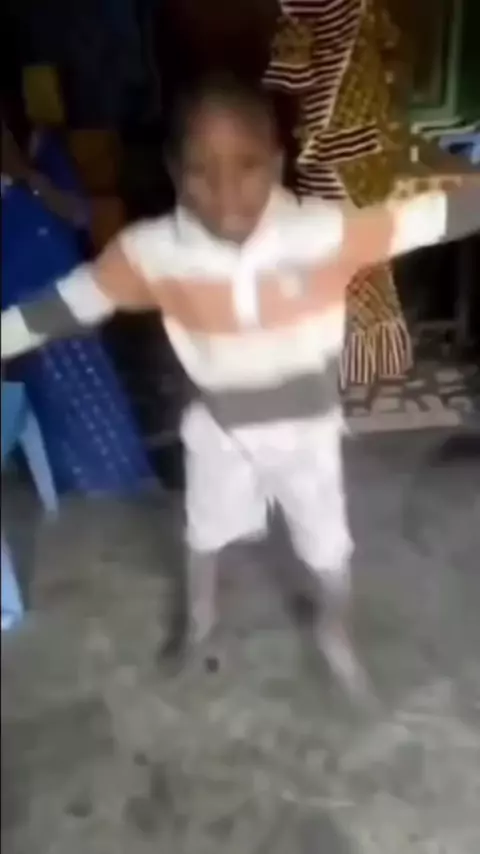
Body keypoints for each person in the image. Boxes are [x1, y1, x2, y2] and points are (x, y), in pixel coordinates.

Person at [2, 75, 479, 695]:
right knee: (204, 533)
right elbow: (67, 303)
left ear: (277, 164)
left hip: (307, 438)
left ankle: (334, 630)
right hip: (222, 434)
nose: (225, 192)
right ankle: (200, 621)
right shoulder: (153, 253)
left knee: (328, 546)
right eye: (201, 171)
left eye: (247, 166)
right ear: (174, 172)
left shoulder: (323, 233)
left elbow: (429, 216)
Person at [1, 117, 153, 494]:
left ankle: (127, 492)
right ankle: (83, 500)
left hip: (68, 301)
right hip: (18, 321)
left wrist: (27, 177)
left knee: (100, 407)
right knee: (51, 417)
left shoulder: (42, 149)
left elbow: (80, 214)